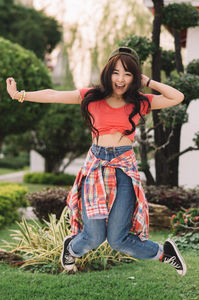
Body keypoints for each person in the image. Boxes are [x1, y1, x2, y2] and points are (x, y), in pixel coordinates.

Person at [6, 46, 186, 276]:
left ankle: (164, 253)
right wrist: (20, 95)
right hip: (97, 167)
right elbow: (53, 95)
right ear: (107, 72)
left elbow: (177, 97)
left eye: (128, 74)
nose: (121, 79)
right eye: (116, 72)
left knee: (118, 240)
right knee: (94, 236)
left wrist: (148, 80)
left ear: (135, 77)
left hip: (124, 169)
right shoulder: (91, 97)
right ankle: (71, 249)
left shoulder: (140, 102)